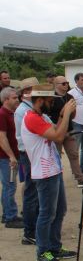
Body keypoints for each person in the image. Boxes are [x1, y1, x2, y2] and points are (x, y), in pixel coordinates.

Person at [21, 84, 77, 261]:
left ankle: (54, 246)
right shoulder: (32, 118)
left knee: (59, 210)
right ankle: (43, 251)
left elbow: (58, 129)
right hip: (45, 173)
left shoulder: (40, 116)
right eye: (50, 101)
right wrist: (66, 113)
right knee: (47, 213)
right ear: (39, 101)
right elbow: (58, 136)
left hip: (53, 169)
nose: (52, 104)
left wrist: (62, 115)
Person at [14, 78, 40, 244]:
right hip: (29, 153)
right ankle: (30, 232)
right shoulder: (23, 111)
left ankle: (33, 228)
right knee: (32, 192)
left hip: (31, 153)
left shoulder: (29, 108)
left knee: (35, 192)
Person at [48, 76, 83, 187]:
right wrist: (63, 114)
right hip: (56, 130)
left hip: (69, 130)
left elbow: (73, 115)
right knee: (56, 156)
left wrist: (70, 112)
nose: (66, 85)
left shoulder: (70, 96)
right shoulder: (51, 97)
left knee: (74, 154)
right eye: (63, 83)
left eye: (67, 83)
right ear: (56, 84)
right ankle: (58, 179)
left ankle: (79, 177)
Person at [0, 87, 23, 228]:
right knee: (10, 186)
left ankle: (7, 214)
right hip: (6, 157)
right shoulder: (2, 114)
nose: (17, 100)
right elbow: (1, 137)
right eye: (14, 98)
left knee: (8, 186)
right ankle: (10, 217)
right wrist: (11, 156)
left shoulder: (11, 113)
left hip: (11, 156)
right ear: (6, 99)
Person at [68, 72, 83, 173]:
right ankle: (76, 171)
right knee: (75, 149)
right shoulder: (71, 93)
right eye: (82, 79)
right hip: (77, 123)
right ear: (76, 81)